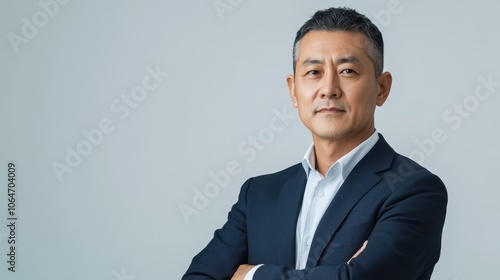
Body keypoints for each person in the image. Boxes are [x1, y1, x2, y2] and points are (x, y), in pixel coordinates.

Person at [182, 6, 447, 280]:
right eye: (313, 72)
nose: (329, 88)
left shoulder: (413, 189)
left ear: (382, 88)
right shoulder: (259, 195)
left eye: (347, 71)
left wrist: (252, 276)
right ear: (293, 90)